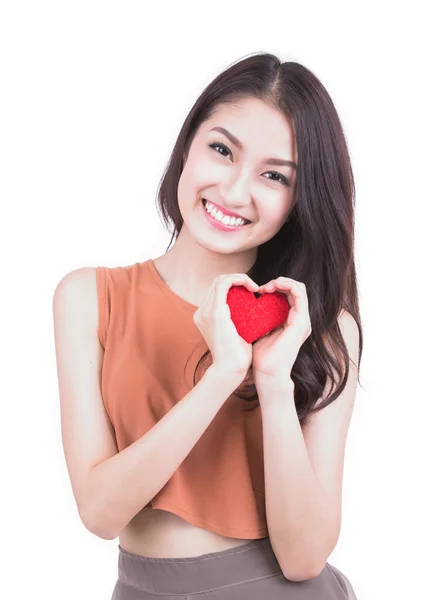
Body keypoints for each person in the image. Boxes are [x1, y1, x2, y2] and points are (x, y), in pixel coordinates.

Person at [53, 51, 362, 599]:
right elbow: (100, 513)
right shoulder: (90, 297)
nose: (235, 191)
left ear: (300, 200)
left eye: (274, 175)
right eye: (222, 150)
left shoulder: (318, 326)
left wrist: (271, 380)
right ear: (187, 146)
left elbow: (305, 557)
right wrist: (221, 375)